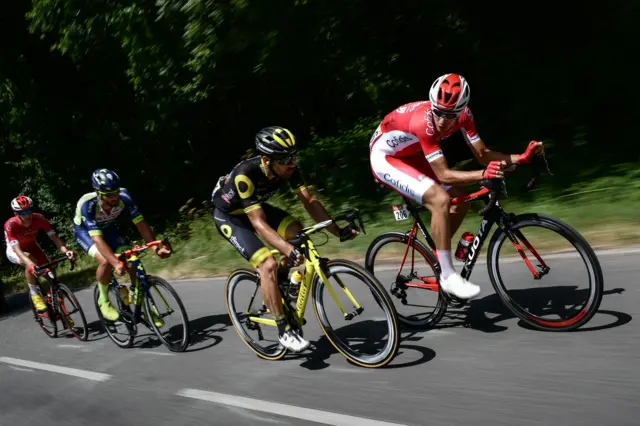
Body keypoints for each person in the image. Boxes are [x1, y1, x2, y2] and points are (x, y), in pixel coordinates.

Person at [369, 73, 544, 299]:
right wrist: (483, 174)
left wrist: (521, 158)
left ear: (462, 110)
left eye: (450, 115)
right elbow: (445, 174)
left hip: (412, 154)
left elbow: (482, 154)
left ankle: (438, 255)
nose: (442, 120)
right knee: (439, 199)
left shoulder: (465, 116)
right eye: (438, 112)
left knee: (460, 201)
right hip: (386, 158)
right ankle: (448, 276)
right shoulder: (425, 122)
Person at [212, 126, 359, 352]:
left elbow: (309, 201)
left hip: (256, 208)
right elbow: (258, 223)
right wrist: (286, 249)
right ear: (266, 160)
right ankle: (284, 331)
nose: (291, 163)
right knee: (268, 264)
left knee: (298, 233)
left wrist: (337, 231)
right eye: (285, 159)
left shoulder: (289, 168)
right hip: (231, 217)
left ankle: (281, 285)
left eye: (293, 157)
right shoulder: (246, 175)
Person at [73, 169, 170, 324]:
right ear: (98, 193)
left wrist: (155, 247)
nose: (115, 197)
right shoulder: (87, 204)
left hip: (109, 228)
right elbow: (97, 239)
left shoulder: (124, 197)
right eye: (110, 195)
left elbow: (141, 223)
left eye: (116, 192)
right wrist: (115, 263)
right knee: (105, 261)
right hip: (85, 232)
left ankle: (140, 300)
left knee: (131, 257)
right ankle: (103, 301)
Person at [4, 196, 76, 312]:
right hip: (15, 251)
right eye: (23, 212)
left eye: (29, 211)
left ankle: (61, 311)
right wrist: (30, 265)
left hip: (32, 246)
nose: (27, 215)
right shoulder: (11, 225)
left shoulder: (39, 218)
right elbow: (17, 250)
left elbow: (55, 238)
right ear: (16, 213)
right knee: (30, 260)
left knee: (51, 273)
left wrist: (66, 251)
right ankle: (34, 295)